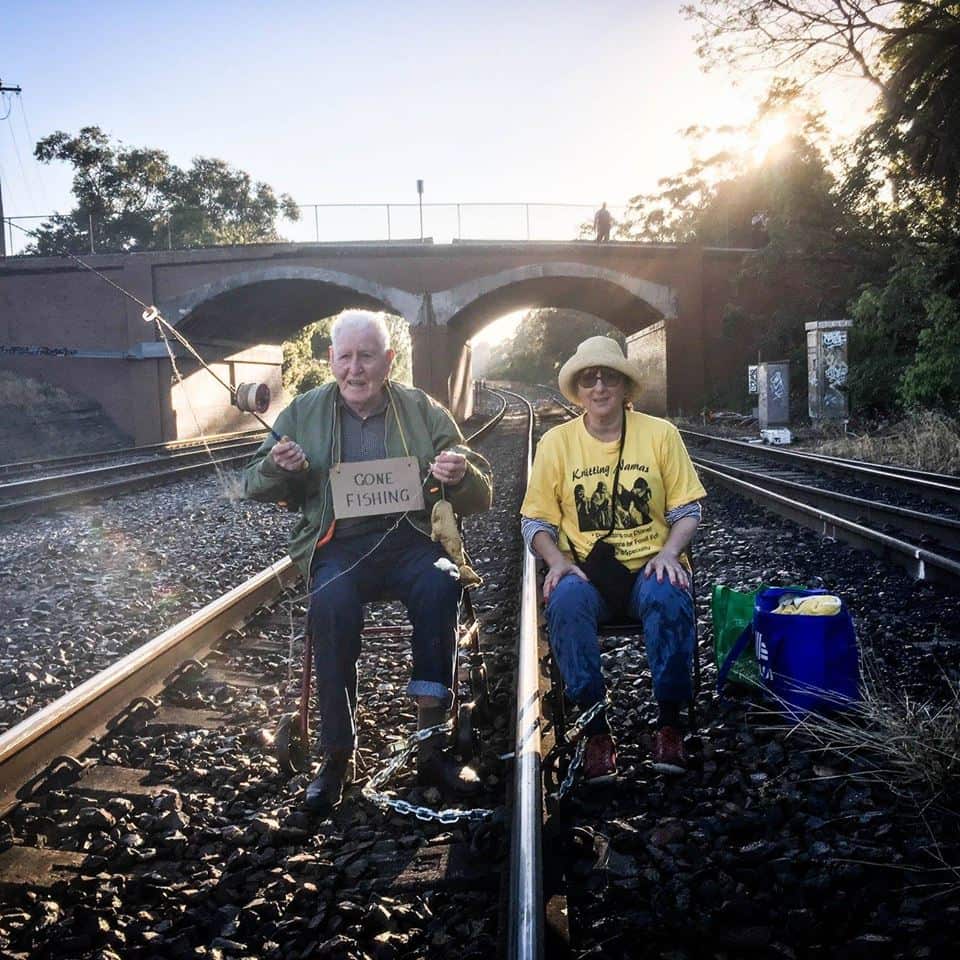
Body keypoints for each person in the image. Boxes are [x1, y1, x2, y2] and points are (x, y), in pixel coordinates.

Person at [244, 310, 493, 814]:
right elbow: (253, 482)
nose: (354, 369)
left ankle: (430, 744)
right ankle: (337, 754)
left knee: (441, 583)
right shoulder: (304, 413)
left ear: (389, 361)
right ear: (331, 359)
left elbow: (481, 491)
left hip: (412, 540)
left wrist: (459, 472)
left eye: (366, 356)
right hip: (338, 544)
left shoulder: (422, 409)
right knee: (330, 600)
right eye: (345, 357)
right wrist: (276, 467)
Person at [520, 336, 706, 780]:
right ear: (578, 390)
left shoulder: (661, 435)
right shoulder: (556, 444)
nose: (599, 387)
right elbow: (535, 522)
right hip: (585, 571)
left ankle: (670, 724)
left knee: (671, 590)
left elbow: (687, 510)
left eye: (608, 377)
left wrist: (670, 552)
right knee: (563, 603)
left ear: (625, 387)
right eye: (589, 378)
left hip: (648, 565)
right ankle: (595, 730)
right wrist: (557, 562)